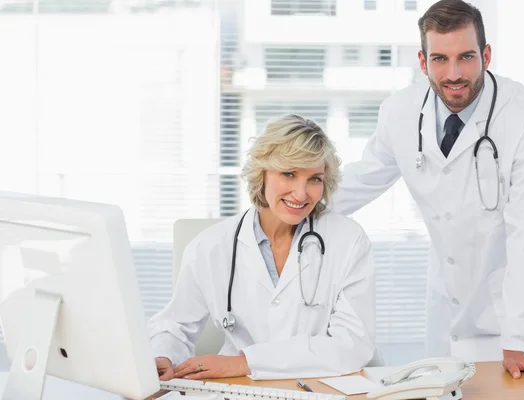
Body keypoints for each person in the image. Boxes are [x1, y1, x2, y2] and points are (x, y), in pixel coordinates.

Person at [332, 0, 524, 381]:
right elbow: (362, 179)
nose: (454, 73)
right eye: (440, 59)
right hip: (446, 316)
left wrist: (519, 338)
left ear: (486, 55)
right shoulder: (400, 112)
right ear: (423, 62)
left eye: (466, 57)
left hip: (510, 322)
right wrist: (291, 206)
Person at [148, 114, 376, 381]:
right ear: (262, 173)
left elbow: (353, 344)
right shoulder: (210, 246)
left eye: (314, 179)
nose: (301, 194)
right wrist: (163, 357)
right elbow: (175, 325)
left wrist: (246, 362)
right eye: (289, 174)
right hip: (239, 389)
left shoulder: (347, 239)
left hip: (322, 385)